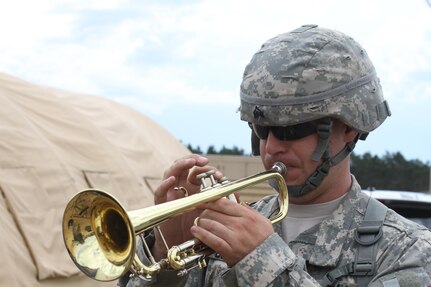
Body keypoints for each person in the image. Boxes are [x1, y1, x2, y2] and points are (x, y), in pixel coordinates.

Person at [119, 25, 431, 286]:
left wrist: (262, 260)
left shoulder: (408, 250)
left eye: (292, 130)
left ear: (347, 127)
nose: (271, 148)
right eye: (261, 129)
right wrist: (166, 252)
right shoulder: (225, 229)